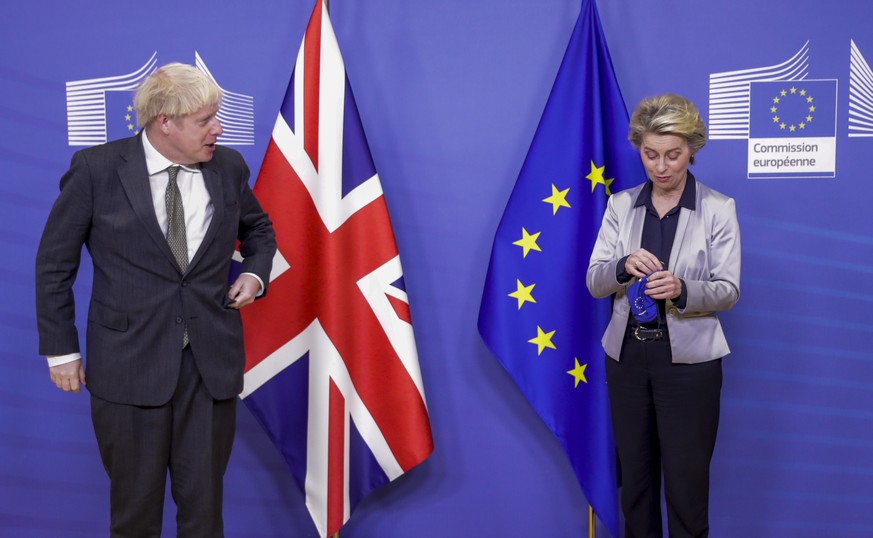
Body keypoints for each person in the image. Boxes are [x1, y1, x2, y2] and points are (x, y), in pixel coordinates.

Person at [35, 63, 276, 537]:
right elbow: (53, 267)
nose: (218, 129)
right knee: (135, 514)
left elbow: (260, 231)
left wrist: (254, 273)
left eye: (217, 116)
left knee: (204, 512)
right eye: (205, 119)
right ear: (165, 120)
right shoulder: (96, 170)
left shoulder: (228, 167)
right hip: (128, 367)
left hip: (209, 367)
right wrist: (61, 351)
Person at [587, 93, 741, 538]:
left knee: (686, 488)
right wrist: (621, 267)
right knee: (634, 485)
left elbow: (729, 290)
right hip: (627, 361)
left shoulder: (717, 208)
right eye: (650, 154)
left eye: (673, 155)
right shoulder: (620, 205)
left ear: (692, 148)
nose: (661, 166)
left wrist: (682, 289)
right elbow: (595, 281)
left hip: (690, 367)